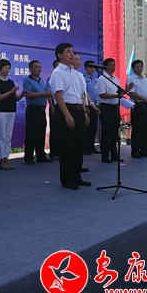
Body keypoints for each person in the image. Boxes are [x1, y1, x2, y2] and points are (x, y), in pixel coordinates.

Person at [49, 43, 91, 190]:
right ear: (60, 55)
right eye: (68, 51)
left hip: (78, 110)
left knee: (79, 145)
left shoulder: (76, 74)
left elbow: (80, 95)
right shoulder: (58, 72)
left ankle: (77, 176)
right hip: (66, 110)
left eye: (72, 51)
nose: (72, 54)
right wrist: (67, 115)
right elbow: (58, 95)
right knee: (67, 147)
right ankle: (66, 179)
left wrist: (84, 112)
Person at [96, 58, 134, 164]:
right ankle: (105, 155)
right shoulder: (102, 79)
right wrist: (117, 95)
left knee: (114, 132)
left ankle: (114, 154)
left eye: (114, 65)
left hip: (115, 107)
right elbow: (102, 94)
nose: (113, 67)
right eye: (110, 65)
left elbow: (119, 94)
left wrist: (126, 91)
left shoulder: (116, 79)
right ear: (105, 67)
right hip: (106, 107)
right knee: (106, 132)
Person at [0, 59, 24, 170]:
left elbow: (15, 98)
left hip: (11, 110)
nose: (7, 70)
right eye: (5, 68)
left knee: (8, 136)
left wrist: (21, 95)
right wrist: (11, 91)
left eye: (8, 68)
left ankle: (6, 157)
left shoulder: (11, 82)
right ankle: (1, 159)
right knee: (2, 135)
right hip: (1, 111)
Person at [22, 60, 53, 165]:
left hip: (42, 110)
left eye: (40, 67)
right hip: (33, 110)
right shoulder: (27, 81)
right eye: (36, 67)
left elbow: (47, 94)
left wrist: (51, 105)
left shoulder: (41, 80)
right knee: (31, 134)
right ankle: (29, 157)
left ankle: (40, 155)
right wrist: (44, 93)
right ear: (30, 69)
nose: (39, 69)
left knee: (41, 133)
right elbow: (28, 94)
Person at [127, 59, 147, 158]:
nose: (139, 68)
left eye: (140, 66)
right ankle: (135, 151)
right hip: (137, 105)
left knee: (145, 128)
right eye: (136, 67)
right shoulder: (131, 79)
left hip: (146, 105)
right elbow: (132, 93)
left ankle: (144, 149)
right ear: (133, 68)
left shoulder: (146, 79)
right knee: (137, 128)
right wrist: (145, 99)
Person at [83, 60, 101, 155]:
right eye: (90, 67)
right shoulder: (83, 78)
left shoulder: (96, 79)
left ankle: (91, 146)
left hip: (96, 106)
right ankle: (85, 147)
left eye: (93, 67)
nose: (92, 69)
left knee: (94, 127)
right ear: (85, 68)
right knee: (87, 127)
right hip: (87, 106)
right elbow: (84, 93)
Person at [48, 59, 60, 160]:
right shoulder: (51, 78)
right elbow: (49, 94)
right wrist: (52, 106)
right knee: (55, 130)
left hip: (65, 106)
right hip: (55, 106)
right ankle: (54, 153)